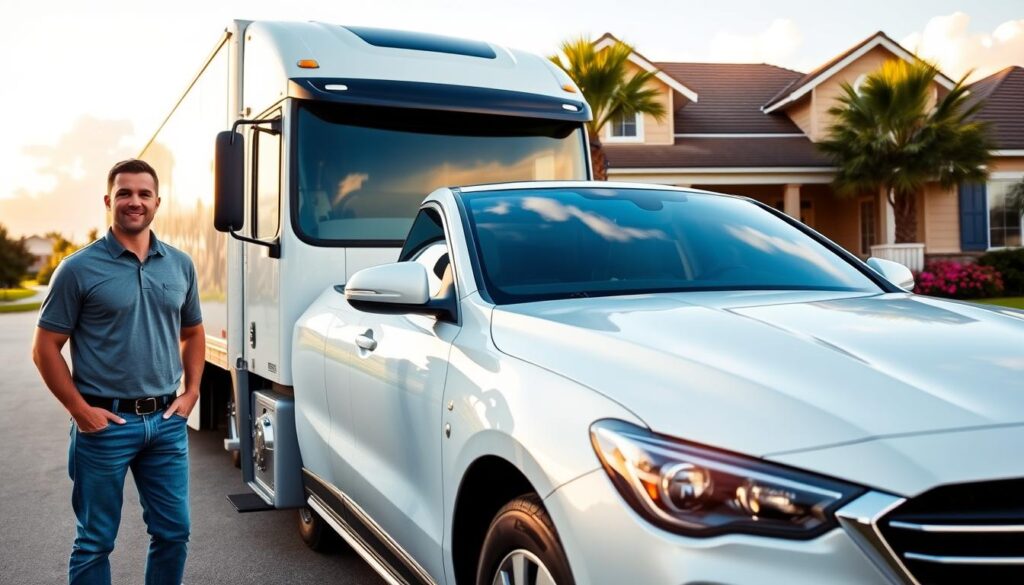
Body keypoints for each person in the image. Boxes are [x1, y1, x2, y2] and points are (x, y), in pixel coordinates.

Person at [31, 159, 205, 585]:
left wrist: (192, 392)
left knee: (174, 532)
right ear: (109, 201)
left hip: (165, 424)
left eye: (144, 194)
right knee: (95, 541)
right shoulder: (77, 269)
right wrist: (80, 411)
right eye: (125, 193)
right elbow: (45, 349)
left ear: (157, 202)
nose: (135, 202)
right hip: (104, 425)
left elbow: (193, 332)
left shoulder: (179, 265)